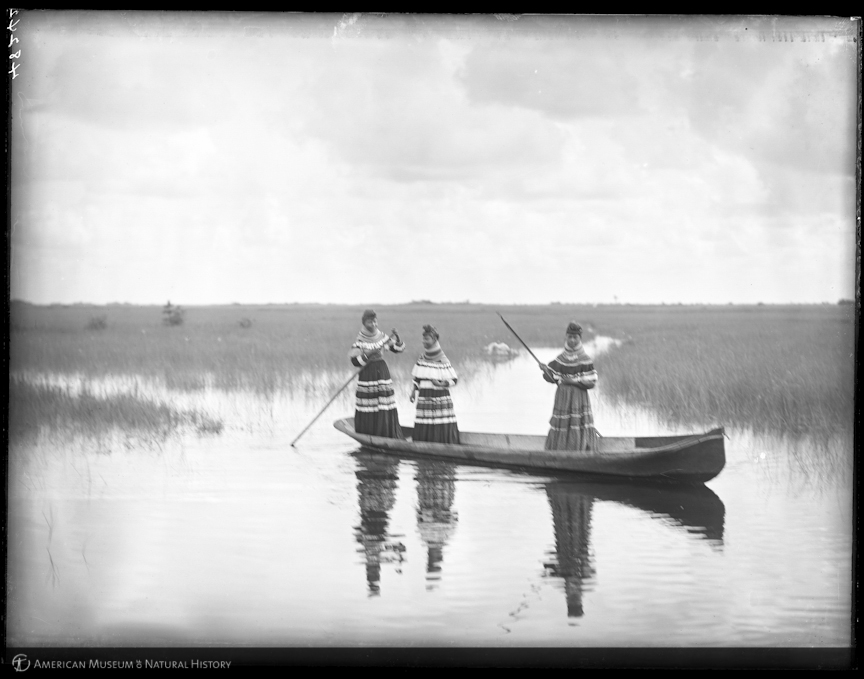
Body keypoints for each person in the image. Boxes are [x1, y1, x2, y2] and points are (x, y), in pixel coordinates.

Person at [539, 321, 599, 452]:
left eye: (575, 337)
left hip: (579, 398)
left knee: (578, 424)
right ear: (566, 337)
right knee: (563, 423)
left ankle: (581, 448)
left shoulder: (585, 359)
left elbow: (591, 383)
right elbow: (551, 378)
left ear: (580, 338)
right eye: (569, 337)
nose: (572, 340)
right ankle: (561, 450)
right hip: (563, 399)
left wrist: (572, 382)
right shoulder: (560, 359)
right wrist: (545, 370)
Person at [348, 309, 405, 439]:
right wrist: (368, 354)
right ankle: (369, 433)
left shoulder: (382, 337)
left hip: (382, 372)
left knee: (383, 402)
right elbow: (355, 362)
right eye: (369, 322)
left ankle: (385, 431)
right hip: (367, 373)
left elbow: (398, 349)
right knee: (370, 402)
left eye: (375, 321)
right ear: (364, 323)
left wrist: (397, 337)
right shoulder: (360, 341)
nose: (373, 324)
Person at [409, 325, 460, 444]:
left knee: (438, 420)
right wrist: (413, 392)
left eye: (427, 339)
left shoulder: (442, 359)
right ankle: (424, 442)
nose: (423, 342)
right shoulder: (422, 358)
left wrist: (440, 384)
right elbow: (418, 377)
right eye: (423, 339)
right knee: (425, 419)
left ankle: (442, 443)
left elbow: (454, 380)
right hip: (425, 396)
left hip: (439, 397)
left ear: (435, 340)